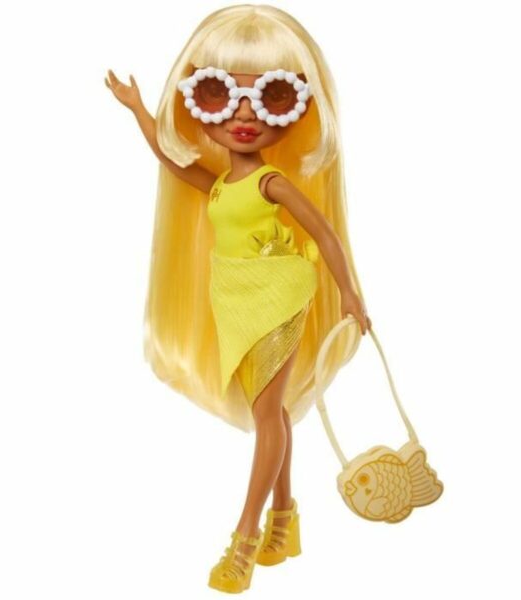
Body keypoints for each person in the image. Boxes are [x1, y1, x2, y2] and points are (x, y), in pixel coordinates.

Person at [105, 4, 372, 593]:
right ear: (197, 106)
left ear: (299, 108)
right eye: (219, 94)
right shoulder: (224, 184)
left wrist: (350, 295)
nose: (245, 114)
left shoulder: (271, 183)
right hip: (235, 298)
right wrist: (138, 109)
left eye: (273, 97)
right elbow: (171, 159)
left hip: (278, 296)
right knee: (271, 412)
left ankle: (245, 539)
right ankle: (285, 521)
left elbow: (325, 233)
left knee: (266, 414)